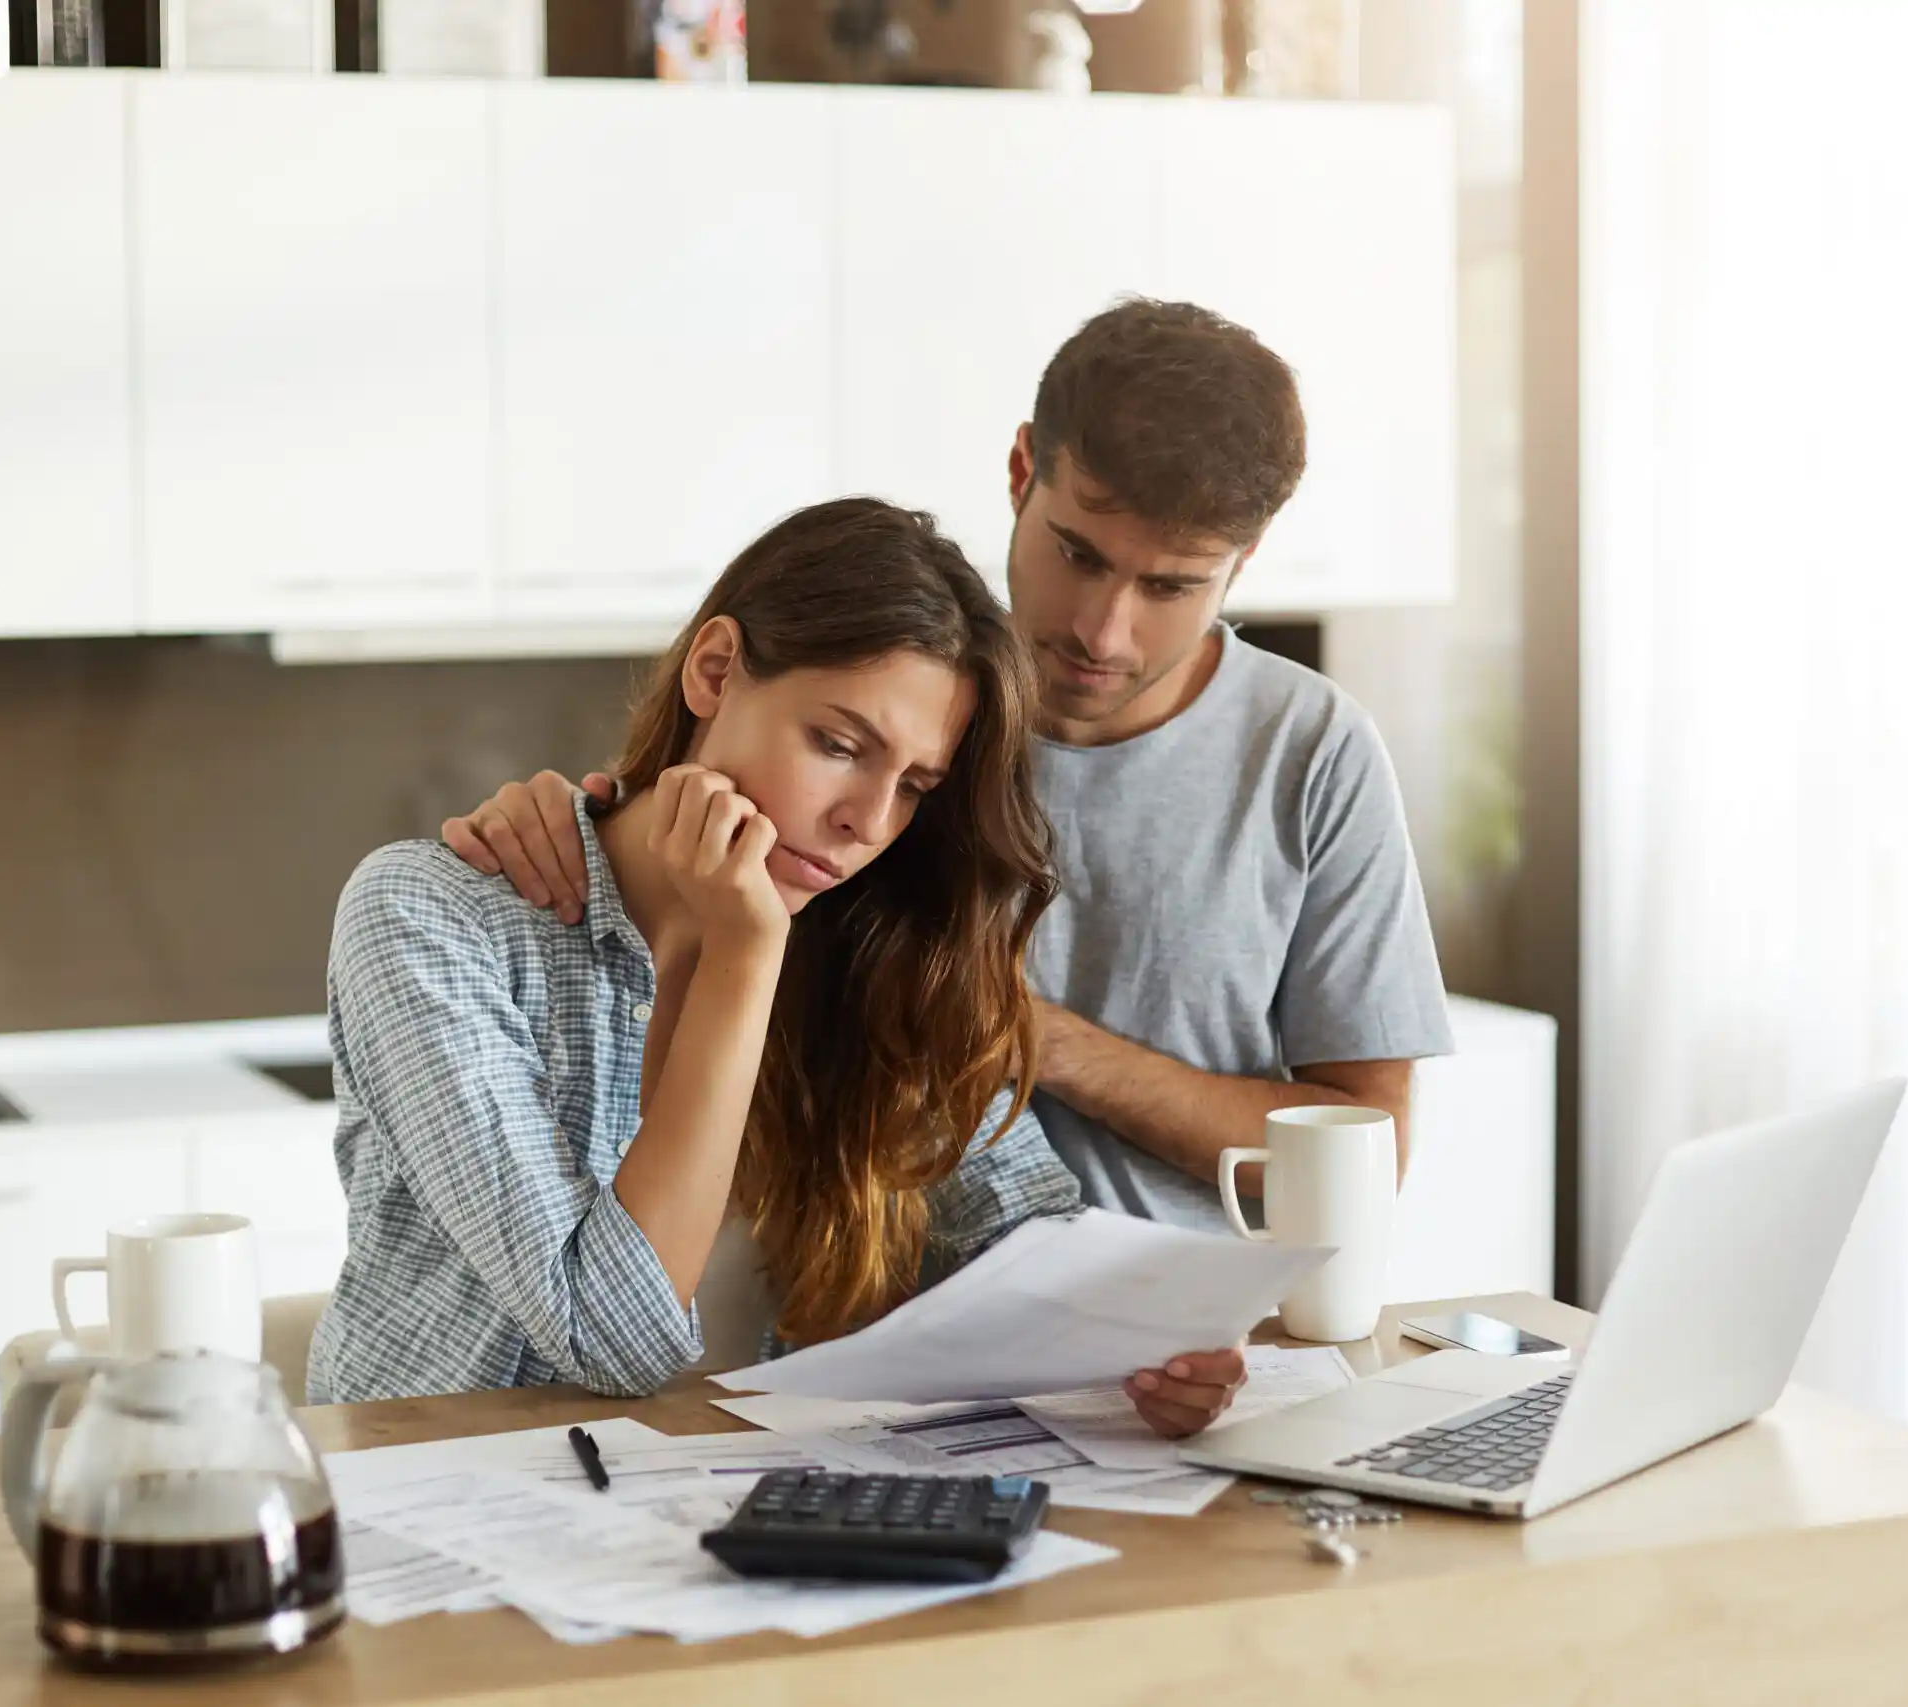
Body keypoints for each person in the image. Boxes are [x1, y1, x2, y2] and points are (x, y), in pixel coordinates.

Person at [444, 299, 1453, 1242]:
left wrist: (1029, 1040)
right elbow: (684, 869)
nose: (1103, 631)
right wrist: (562, 826)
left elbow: (1368, 1153)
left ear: (1248, 555)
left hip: (1185, 1344)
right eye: (1080, 556)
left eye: (1170, 586)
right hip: (876, 1347)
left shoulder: (1314, 754)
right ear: (1021, 470)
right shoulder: (914, 712)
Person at [313, 497, 1248, 1438]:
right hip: (435, 1511)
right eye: (839, 746)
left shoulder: (876, 949)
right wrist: (746, 952)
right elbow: (608, 1337)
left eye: (915, 787)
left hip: (721, 1516)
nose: (868, 823)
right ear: (715, 671)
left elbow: (1027, 1230)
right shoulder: (433, 917)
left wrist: (1145, 1339)